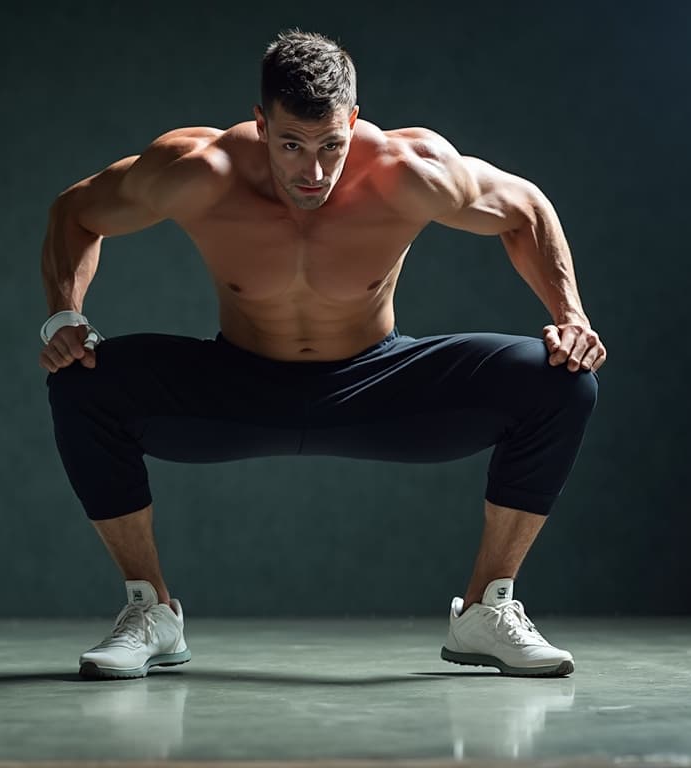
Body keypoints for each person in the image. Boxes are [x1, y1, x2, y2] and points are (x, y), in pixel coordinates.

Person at [38, 30, 606, 680]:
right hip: (237, 382)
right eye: (291, 146)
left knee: (562, 382)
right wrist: (66, 315)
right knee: (80, 381)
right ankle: (151, 610)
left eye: (331, 145)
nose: (313, 172)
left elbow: (524, 209)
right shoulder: (198, 172)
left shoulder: (408, 172)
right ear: (260, 123)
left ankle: (486, 609)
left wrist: (571, 319)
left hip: (379, 380)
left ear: (354, 122)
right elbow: (75, 212)